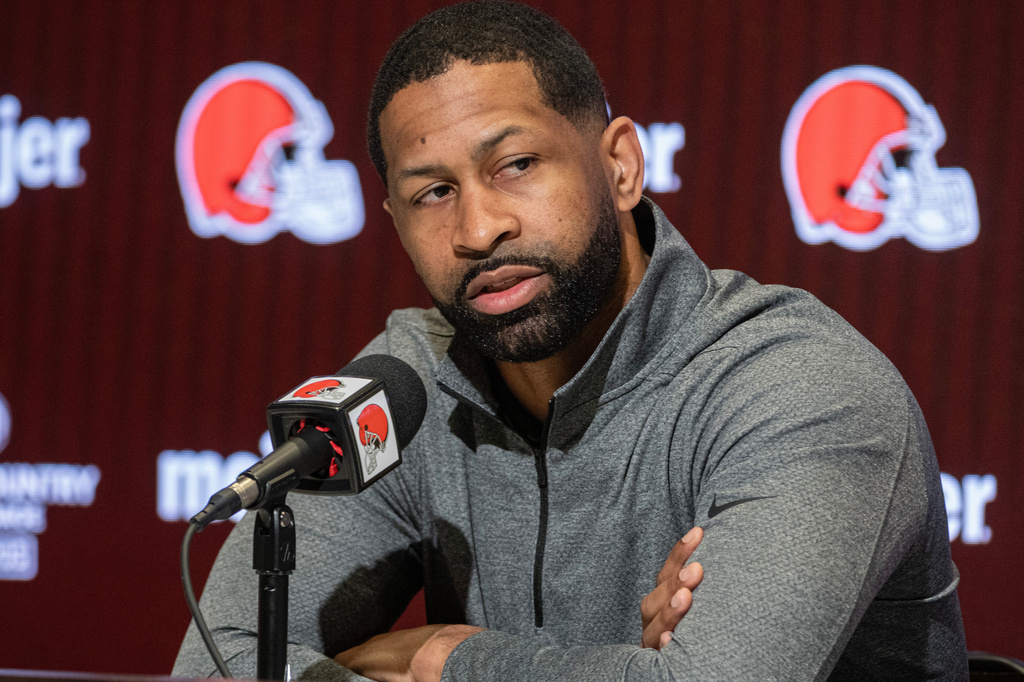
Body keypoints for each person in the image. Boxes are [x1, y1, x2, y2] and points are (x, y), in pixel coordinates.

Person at [173, 2, 967, 680]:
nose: (480, 229)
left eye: (517, 164)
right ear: (395, 223)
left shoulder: (799, 388)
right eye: (434, 193)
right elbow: (224, 656)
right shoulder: (406, 389)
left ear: (621, 165)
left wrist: (448, 660)